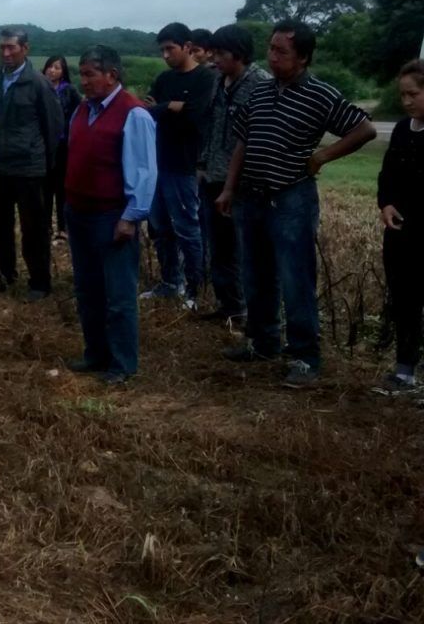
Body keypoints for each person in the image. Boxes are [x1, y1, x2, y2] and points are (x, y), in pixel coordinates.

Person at [216, 19, 376, 388]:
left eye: (281, 51)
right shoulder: (259, 91)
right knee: (255, 274)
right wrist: (228, 188)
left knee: (295, 278)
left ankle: (305, 357)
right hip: (251, 196)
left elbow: (364, 129)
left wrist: (322, 157)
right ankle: (263, 342)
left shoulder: (320, 94)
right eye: (270, 49)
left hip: (291, 197)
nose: (272, 57)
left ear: (302, 58)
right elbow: (242, 142)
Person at [64, 46, 157, 385]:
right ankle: (95, 354)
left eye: (90, 74)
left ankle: (122, 364)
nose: (83, 81)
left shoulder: (134, 114)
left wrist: (130, 217)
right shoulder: (81, 110)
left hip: (111, 215)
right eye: (82, 73)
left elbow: (144, 172)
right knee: (88, 290)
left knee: (118, 295)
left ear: (112, 76)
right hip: (79, 212)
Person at [0, 28, 64, 300]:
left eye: (12, 48)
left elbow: (53, 128)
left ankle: (40, 282)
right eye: (2, 48)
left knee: (34, 228)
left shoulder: (39, 83)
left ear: (25, 49)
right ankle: (7, 274)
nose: (6, 53)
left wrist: (44, 162)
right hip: (0, 164)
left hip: (30, 168)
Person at [199, 24, 270, 323]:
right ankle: (228, 306)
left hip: (244, 183)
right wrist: (201, 165)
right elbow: (212, 126)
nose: (214, 59)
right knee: (220, 248)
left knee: (246, 251)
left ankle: (250, 313)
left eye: (220, 53)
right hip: (213, 177)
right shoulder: (218, 81)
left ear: (239, 54)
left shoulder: (261, 85)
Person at [142, 22, 216, 310]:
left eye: (170, 49)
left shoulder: (204, 79)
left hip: (185, 164)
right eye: (162, 50)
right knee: (160, 227)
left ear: (187, 46)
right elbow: (149, 110)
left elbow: (196, 115)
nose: (165, 55)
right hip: (157, 162)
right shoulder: (164, 79)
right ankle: (170, 282)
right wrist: (170, 106)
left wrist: (169, 108)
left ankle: (195, 289)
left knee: (187, 228)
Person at [373, 59, 424, 394]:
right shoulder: (404, 130)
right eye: (402, 94)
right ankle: (404, 371)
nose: (406, 101)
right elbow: (387, 174)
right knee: (404, 301)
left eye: (414, 94)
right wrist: (386, 203)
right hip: (402, 233)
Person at [42, 55, 82, 244]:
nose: (52, 71)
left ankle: (62, 228)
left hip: (64, 146)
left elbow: (79, 115)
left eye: (57, 67)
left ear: (63, 71)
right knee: (45, 187)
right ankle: (45, 226)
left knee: (61, 188)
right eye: (50, 67)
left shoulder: (70, 91)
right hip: (43, 146)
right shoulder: (40, 88)